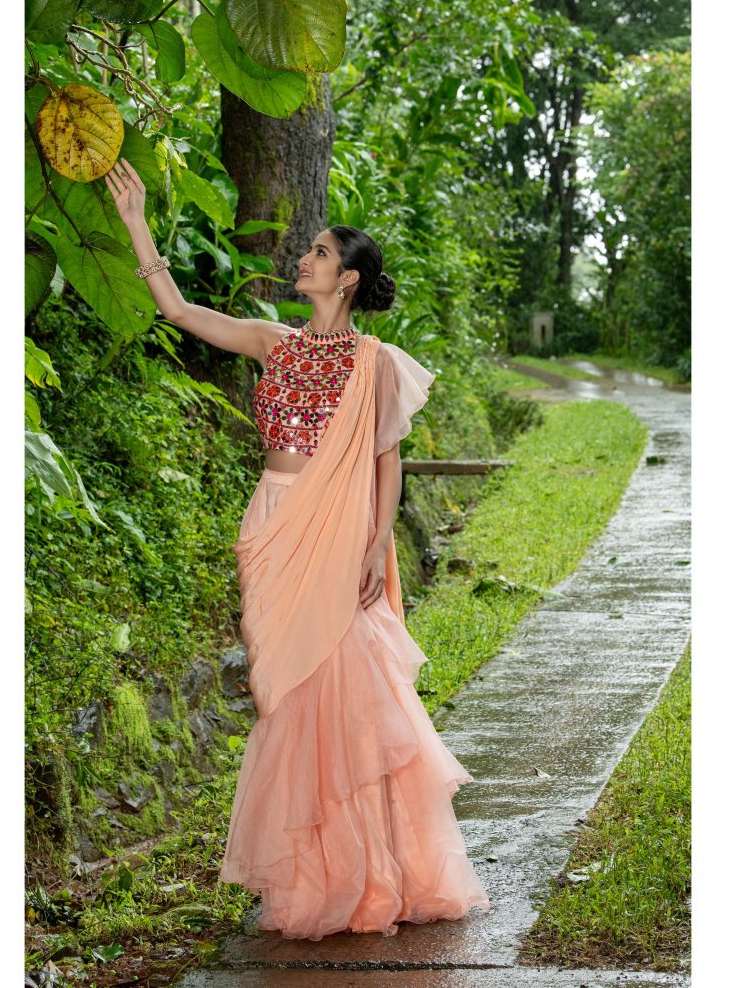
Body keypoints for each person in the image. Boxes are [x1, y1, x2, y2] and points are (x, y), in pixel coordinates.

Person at [105, 157, 490, 940]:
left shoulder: (373, 362)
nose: (304, 260)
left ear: (346, 279)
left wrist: (374, 545)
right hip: (272, 523)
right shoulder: (273, 342)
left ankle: (377, 874)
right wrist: (137, 221)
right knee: (288, 696)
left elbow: (387, 458)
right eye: (309, 251)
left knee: (349, 692)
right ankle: (316, 874)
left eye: (319, 253)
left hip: (339, 527)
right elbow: (179, 311)